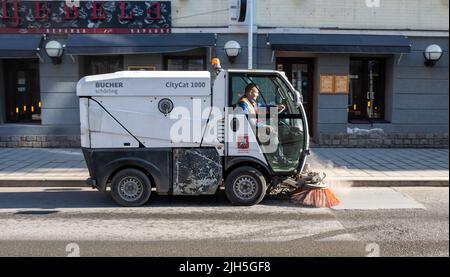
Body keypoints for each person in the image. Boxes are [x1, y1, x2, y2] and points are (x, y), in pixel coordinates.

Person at [237, 83, 290, 165]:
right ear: (250, 92)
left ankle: (275, 157)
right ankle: (279, 159)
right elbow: (250, 123)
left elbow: (263, 106)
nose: (258, 94)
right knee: (272, 132)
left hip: (252, 129)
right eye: (256, 92)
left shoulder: (251, 102)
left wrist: (276, 107)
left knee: (272, 130)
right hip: (248, 131)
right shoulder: (243, 104)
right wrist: (265, 126)